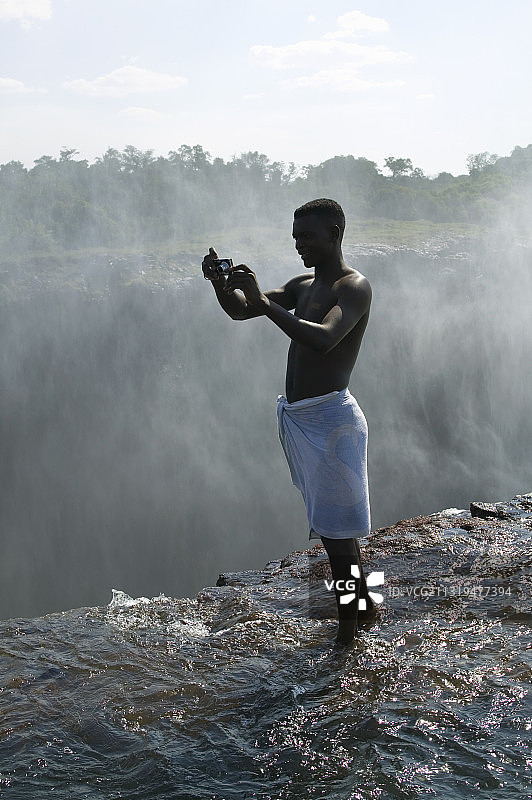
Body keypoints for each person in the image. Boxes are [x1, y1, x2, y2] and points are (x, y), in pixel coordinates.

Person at [202, 198, 374, 644]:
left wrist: (264, 302)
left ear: (335, 234)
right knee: (334, 530)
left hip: (333, 423)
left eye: (309, 237)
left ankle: (349, 632)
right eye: (296, 237)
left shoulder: (352, 287)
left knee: (338, 536)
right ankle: (364, 609)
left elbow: (325, 340)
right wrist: (222, 286)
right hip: (304, 420)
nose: (300, 245)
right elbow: (243, 310)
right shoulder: (302, 286)